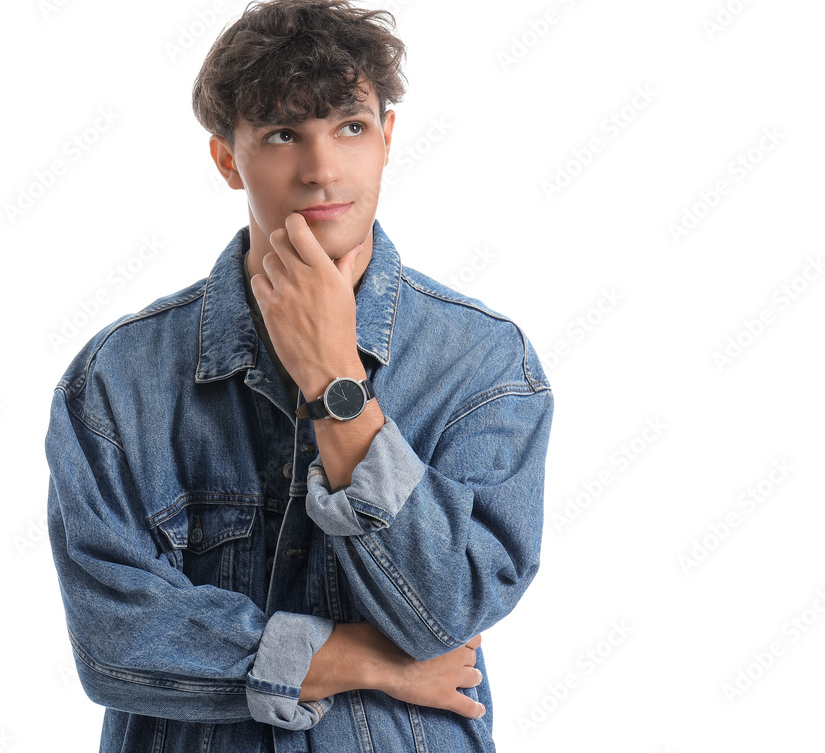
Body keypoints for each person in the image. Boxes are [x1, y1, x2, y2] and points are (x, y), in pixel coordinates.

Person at [45, 1, 554, 751]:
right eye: (284, 134)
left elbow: (445, 611)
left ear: (386, 137)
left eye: (349, 127)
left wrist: (334, 380)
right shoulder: (116, 379)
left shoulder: (484, 363)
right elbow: (112, 639)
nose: (321, 171)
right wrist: (356, 659)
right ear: (227, 158)